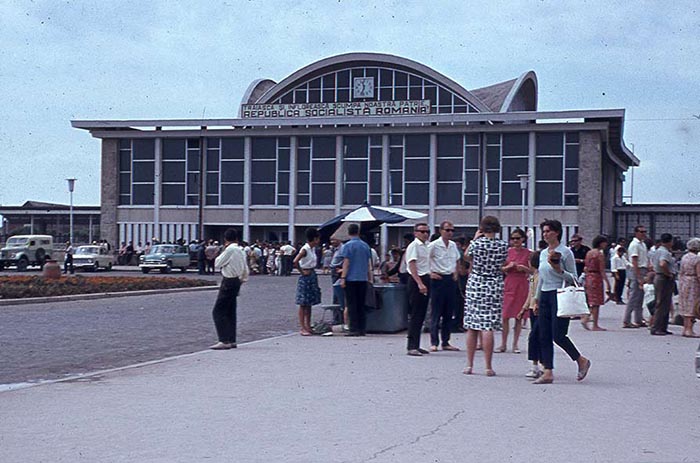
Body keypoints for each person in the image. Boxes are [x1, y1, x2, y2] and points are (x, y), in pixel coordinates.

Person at [532, 219, 591, 384]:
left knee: (558, 335)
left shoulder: (565, 252)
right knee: (543, 334)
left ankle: (580, 360)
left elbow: (574, 278)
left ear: (556, 232)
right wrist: (536, 298)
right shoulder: (543, 253)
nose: (545, 234)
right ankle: (548, 371)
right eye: (543, 232)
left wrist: (559, 269)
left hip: (560, 294)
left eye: (548, 231)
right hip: (545, 294)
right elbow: (542, 278)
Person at [463, 216, 508, 375]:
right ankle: (488, 366)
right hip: (494, 283)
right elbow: (503, 263)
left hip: (476, 283)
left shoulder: (477, 244)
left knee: (472, 325)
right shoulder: (503, 245)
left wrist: (475, 239)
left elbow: (467, 256)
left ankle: (469, 365)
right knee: (487, 326)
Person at [210, 228, 249, 350]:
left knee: (218, 311)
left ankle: (223, 339)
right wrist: (242, 280)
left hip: (228, 280)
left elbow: (217, 263)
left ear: (225, 239)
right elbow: (245, 269)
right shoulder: (241, 250)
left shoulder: (230, 249)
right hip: (237, 280)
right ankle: (232, 339)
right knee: (231, 311)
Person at [427, 220, 461, 352]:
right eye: (447, 230)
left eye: (452, 230)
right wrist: (430, 273)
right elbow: (424, 259)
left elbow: (457, 259)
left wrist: (456, 273)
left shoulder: (452, 245)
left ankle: (446, 341)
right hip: (438, 279)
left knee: (448, 312)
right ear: (441, 231)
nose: (450, 233)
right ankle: (434, 341)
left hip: (450, 279)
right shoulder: (434, 245)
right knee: (436, 311)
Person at [499, 228, 532, 354]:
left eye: (517, 238)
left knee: (519, 316)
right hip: (509, 282)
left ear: (523, 239)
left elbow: (533, 271)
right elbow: (501, 268)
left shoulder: (528, 253)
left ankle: (515, 344)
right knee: (505, 315)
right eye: (513, 238)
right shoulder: (507, 252)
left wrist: (524, 268)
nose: (515, 241)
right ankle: (503, 344)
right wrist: (509, 266)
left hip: (522, 284)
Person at [339, 224, 373, 337]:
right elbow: (368, 264)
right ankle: (362, 328)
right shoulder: (365, 246)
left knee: (351, 304)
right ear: (358, 232)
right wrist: (370, 278)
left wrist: (343, 277)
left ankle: (354, 328)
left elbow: (346, 263)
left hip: (351, 279)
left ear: (348, 232)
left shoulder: (347, 246)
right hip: (362, 278)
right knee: (361, 304)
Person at [405, 223, 432, 356]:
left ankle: (417, 344)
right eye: (422, 232)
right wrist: (419, 283)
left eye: (427, 231)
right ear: (416, 233)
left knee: (421, 313)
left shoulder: (426, 246)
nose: (425, 234)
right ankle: (411, 345)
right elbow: (412, 265)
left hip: (426, 278)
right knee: (415, 314)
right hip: (416, 280)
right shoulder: (414, 246)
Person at [293, 228, 322, 336]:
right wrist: (301, 271)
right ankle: (302, 327)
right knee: (303, 303)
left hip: (312, 275)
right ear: (314, 238)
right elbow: (295, 261)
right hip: (306, 276)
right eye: (318, 238)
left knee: (309, 303)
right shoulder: (305, 249)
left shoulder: (312, 249)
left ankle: (308, 325)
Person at [519, 250, 542, 378]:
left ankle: (538, 365)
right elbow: (531, 293)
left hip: (539, 309)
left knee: (534, 337)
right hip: (533, 309)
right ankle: (536, 364)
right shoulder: (533, 276)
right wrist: (524, 308)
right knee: (536, 335)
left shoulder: (540, 276)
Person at [582, 235, 612, 331]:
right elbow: (602, 269)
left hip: (589, 277)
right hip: (596, 277)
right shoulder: (599, 254)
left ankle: (586, 318)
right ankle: (594, 324)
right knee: (597, 302)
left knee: (591, 300)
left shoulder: (589, 253)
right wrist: (608, 283)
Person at [650, 233, 677, 336]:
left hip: (660, 277)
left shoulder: (658, 250)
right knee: (662, 303)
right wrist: (668, 273)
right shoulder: (664, 252)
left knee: (664, 303)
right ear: (670, 241)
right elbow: (662, 264)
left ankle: (662, 327)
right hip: (663, 277)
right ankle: (657, 327)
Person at [624, 225, 650, 329]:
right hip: (637, 269)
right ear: (636, 232)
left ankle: (638, 319)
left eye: (645, 231)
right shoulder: (634, 244)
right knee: (634, 296)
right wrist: (638, 276)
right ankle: (627, 320)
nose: (643, 233)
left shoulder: (643, 244)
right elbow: (634, 260)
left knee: (640, 297)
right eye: (641, 231)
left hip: (643, 269)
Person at [678, 238, 700, 338]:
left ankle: (685, 328)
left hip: (684, 281)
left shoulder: (684, 257)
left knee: (685, 305)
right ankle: (690, 330)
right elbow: (699, 274)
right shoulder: (697, 259)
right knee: (692, 306)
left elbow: (681, 271)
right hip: (693, 282)